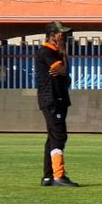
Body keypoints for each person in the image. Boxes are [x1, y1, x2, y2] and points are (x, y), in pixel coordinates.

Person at [36, 21, 79, 187]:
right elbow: (61, 70)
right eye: (62, 34)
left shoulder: (55, 52)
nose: (65, 37)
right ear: (53, 35)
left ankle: (48, 176)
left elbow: (65, 74)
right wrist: (62, 55)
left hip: (58, 98)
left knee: (52, 138)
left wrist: (63, 69)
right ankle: (58, 176)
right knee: (59, 136)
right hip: (52, 99)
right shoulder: (46, 51)